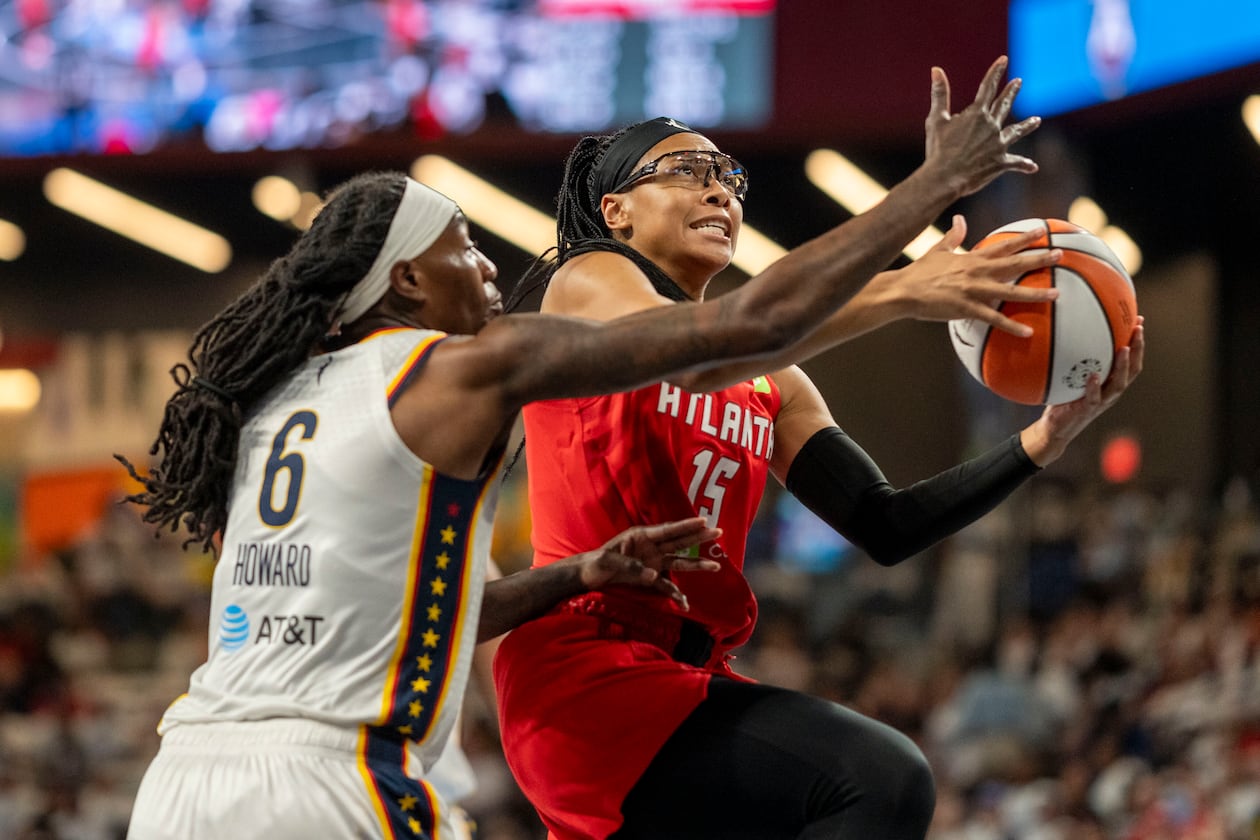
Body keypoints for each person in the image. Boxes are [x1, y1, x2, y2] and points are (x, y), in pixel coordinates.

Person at [116, 55, 1037, 839]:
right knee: (877, 779)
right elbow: (740, 333)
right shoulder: (515, 335)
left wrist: (577, 568)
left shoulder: (287, 397)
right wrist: (928, 198)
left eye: (731, 178)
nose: (489, 268)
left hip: (190, 771)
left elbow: (427, 611)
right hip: (385, 758)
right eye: (464, 247)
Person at [491, 57, 1146, 839]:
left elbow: (887, 523)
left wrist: (1043, 438)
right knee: (878, 778)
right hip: (587, 666)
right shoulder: (587, 282)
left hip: (686, 674)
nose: (719, 191)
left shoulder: (775, 383)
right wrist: (909, 257)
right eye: (687, 172)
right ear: (618, 210)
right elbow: (701, 350)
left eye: (728, 176)